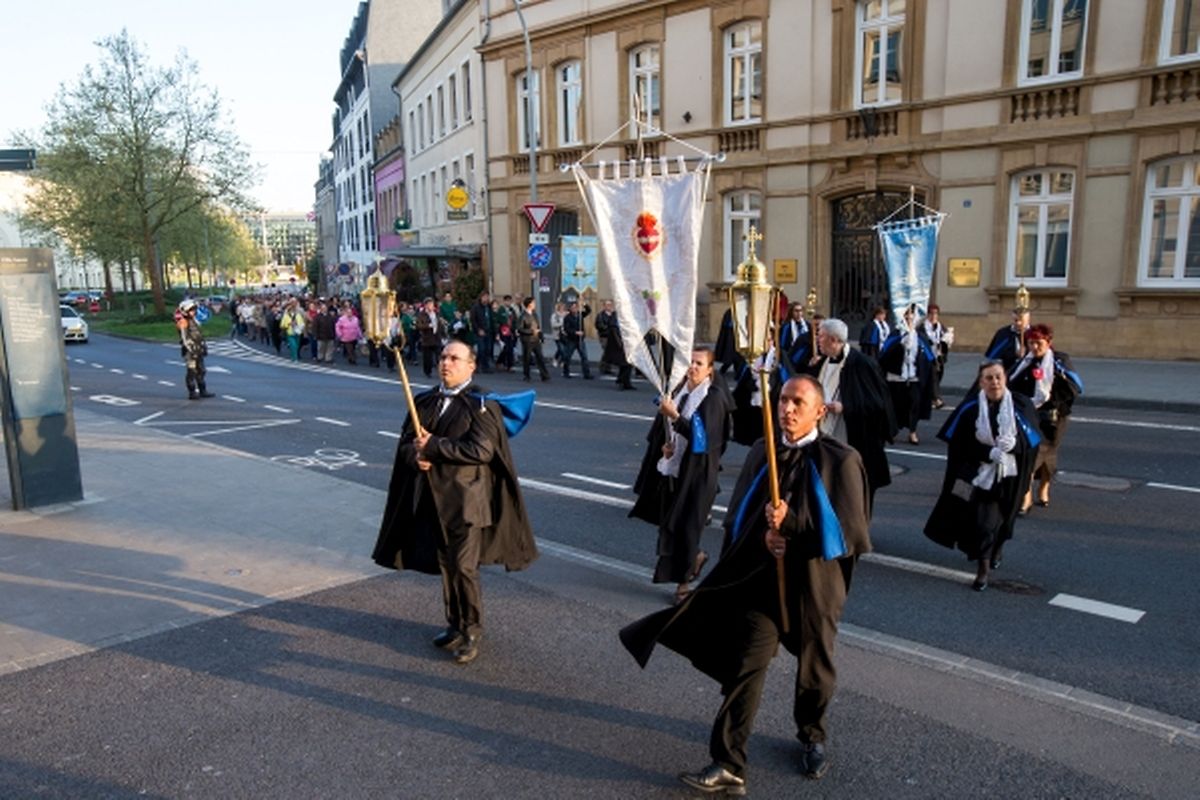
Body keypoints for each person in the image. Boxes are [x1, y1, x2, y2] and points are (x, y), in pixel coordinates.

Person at [620, 375, 872, 791]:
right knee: (746, 668)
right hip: (763, 585)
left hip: (812, 586)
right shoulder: (763, 452)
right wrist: (765, 535)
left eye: (798, 403)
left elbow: (848, 533)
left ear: (820, 412)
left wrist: (791, 526)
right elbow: (740, 516)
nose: (787, 409)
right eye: (783, 401)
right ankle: (728, 761)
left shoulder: (841, 460)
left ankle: (812, 735)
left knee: (815, 668)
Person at [371, 341, 538, 665]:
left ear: (470, 366)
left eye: (454, 358)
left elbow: (481, 451)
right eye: (444, 357)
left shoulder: (482, 405)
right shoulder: (424, 401)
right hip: (433, 500)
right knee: (447, 567)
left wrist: (434, 447)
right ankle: (454, 625)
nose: (446, 363)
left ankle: (472, 630)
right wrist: (415, 456)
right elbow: (406, 443)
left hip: (467, 503)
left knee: (463, 567)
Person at [924, 359, 1041, 590]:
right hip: (980, 474)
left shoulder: (1021, 405)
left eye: (998, 377)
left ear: (1005, 379)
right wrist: (990, 452)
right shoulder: (970, 410)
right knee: (983, 522)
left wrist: (1011, 448)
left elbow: (1032, 443)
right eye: (989, 378)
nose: (994, 382)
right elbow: (959, 447)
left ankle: (997, 547)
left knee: (1006, 519)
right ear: (981, 382)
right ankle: (983, 569)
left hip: (1011, 474)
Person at [629, 347, 734, 604]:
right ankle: (695, 557)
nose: (693, 367)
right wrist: (668, 446)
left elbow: (703, 438)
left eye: (699, 364)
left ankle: (683, 585)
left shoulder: (714, 398)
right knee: (671, 524)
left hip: (698, 476)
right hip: (675, 469)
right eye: (690, 362)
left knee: (687, 528)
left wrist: (674, 416)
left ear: (710, 370)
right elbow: (673, 432)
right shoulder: (680, 392)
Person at [812, 318, 896, 506]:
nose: (818, 339)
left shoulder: (862, 364)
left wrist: (846, 407)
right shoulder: (824, 362)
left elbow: (877, 404)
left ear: (834, 340)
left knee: (854, 487)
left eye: (821, 336)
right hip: (826, 430)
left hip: (855, 433)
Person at [1006, 324, 1082, 512]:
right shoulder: (1026, 361)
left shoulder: (1059, 361)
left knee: (1048, 456)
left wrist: (1057, 386)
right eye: (1031, 343)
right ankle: (1026, 496)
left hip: (1053, 418)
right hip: (1030, 417)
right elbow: (1011, 383)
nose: (1034, 347)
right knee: (1029, 456)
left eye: (1039, 343)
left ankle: (1044, 487)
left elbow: (1075, 388)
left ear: (1049, 342)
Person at [878, 305, 937, 445]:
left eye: (912, 317)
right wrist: (900, 345)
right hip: (896, 377)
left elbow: (928, 358)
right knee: (896, 405)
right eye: (907, 317)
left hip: (914, 377)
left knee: (915, 403)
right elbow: (885, 355)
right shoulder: (895, 335)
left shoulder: (920, 336)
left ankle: (912, 431)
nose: (910, 320)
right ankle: (893, 430)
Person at [177, 299, 215, 400]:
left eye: (194, 310)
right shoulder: (183, 322)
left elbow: (199, 335)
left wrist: (203, 346)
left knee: (201, 370)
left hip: (198, 348)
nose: (193, 312)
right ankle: (192, 392)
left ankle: (203, 390)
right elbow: (185, 338)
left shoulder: (194, 320)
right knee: (192, 371)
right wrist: (191, 350)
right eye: (191, 310)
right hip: (190, 350)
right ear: (185, 311)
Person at [922, 304, 953, 408]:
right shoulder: (922, 327)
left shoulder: (940, 326)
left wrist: (946, 340)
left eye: (935, 314)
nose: (933, 316)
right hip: (927, 356)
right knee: (933, 377)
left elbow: (946, 337)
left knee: (938, 376)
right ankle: (936, 399)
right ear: (927, 315)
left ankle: (929, 397)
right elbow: (922, 340)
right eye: (931, 313)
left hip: (939, 356)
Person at [985, 306, 1031, 371]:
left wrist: (1027, 353)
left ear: (1028, 320)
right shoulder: (1003, 333)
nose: (1018, 323)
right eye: (1016, 320)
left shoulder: (1035, 333)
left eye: (1022, 320)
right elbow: (995, 355)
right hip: (1008, 370)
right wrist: (1014, 354)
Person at [516, 296, 550, 382]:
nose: (535, 304)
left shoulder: (534, 314)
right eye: (533, 303)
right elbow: (520, 329)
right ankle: (526, 375)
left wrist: (541, 337)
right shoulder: (523, 316)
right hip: (527, 340)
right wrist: (531, 331)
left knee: (540, 357)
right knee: (527, 358)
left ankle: (544, 375)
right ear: (529, 304)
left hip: (536, 339)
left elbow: (538, 326)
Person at [779, 302, 815, 378]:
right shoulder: (786, 327)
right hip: (790, 358)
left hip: (805, 359)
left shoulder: (807, 325)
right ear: (791, 312)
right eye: (796, 311)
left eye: (800, 311)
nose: (799, 313)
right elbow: (783, 344)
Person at [560, 301, 593, 379]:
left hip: (580, 340)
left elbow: (589, 311)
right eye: (573, 308)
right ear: (570, 309)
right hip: (571, 340)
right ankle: (566, 372)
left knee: (584, 357)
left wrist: (584, 304)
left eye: (576, 307)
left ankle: (586, 374)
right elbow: (566, 329)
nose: (575, 309)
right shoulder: (567, 317)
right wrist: (575, 332)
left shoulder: (580, 315)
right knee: (568, 356)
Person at [415, 298, 443, 377]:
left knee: (439, 355)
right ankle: (428, 372)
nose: (431, 306)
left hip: (436, 337)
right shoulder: (421, 314)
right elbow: (418, 325)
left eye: (432, 304)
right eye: (429, 304)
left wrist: (442, 333)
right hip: (427, 338)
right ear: (426, 305)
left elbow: (440, 324)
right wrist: (428, 326)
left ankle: (441, 370)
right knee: (428, 357)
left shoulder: (436, 313)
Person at [470, 291, 495, 373]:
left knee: (488, 349)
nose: (486, 299)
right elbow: (473, 320)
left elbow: (491, 319)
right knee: (481, 349)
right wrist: (478, 329)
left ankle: (485, 366)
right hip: (480, 331)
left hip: (488, 331)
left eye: (487, 297)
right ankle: (477, 364)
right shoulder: (476, 307)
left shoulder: (489, 307)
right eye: (484, 297)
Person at [279, 298, 307, 362]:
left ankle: (293, 356)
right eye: (291, 310)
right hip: (290, 332)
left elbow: (302, 322)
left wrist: (297, 323)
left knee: (296, 346)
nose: (292, 311)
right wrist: (289, 324)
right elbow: (282, 324)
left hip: (297, 332)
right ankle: (295, 358)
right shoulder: (286, 315)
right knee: (293, 345)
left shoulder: (298, 314)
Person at [595, 300, 617, 375]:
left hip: (613, 336)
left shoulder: (614, 315)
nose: (609, 306)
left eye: (610, 305)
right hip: (604, 336)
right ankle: (603, 367)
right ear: (604, 306)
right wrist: (608, 328)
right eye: (607, 305)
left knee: (610, 352)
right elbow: (599, 325)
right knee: (606, 351)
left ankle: (607, 367)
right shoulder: (601, 315)